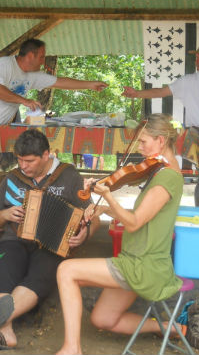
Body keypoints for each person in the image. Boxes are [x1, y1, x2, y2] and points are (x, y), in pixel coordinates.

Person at [55, 114, 184, 355]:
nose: (140, 147)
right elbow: (142, 216)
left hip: (142, 265)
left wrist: (108, 196)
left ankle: (72, 348)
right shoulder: (161, 172)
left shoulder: (167, 177)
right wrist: (104, 208)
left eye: (144, 141)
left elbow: (134, 223)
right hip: (138, 260)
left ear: (161, 140)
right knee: (103, 319)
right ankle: (168, 327)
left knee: (66, 271)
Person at [0, 38, 108, 232]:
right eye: (41, 56)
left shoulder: (32, 76)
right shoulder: (5, 64)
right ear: (30, 55)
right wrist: (23, 100)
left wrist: (90, 84)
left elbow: (59, 82)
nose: (43, 61)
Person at [0, 129, 100, 350]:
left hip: (52, 245)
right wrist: (3, 215)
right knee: (4, 269)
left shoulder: (68, 176)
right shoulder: (13, 177)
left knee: (41, 273)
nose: (23, 166)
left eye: (29, 161)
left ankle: (0, 325)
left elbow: (93, 215)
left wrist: (85, 234)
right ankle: (6, 331)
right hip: (14, 239)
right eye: (20, 160)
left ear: (46, 155)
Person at [123, 43, 199, 207]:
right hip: (198, 136)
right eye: (196, 57)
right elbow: (161, 92)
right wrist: (137, 94)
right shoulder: (187, 81)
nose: (197, 60)